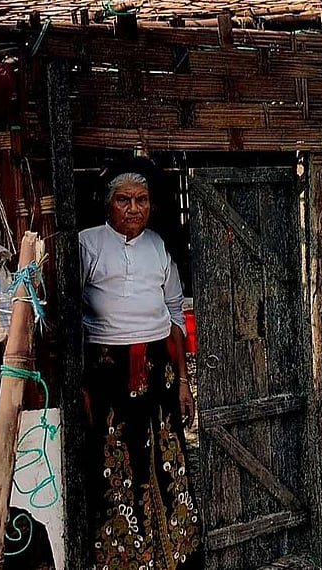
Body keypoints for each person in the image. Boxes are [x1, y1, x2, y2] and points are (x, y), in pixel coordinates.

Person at [80, 160, 203, 570]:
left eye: (142, 200)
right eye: (124, 200)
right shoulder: (87, 245)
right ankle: (122, 559)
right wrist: (80, 382)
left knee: (167, 454)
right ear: (107, 204)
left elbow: (173, 315)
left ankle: (174, 554)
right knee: (115, 459)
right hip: (108, 369)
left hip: (158, 368)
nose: (134, 208)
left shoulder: (158, 247)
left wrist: (184, 379)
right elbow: (69, 313)